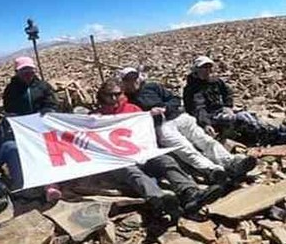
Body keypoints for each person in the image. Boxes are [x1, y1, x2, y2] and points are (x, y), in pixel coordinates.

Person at [93, 79, 220, 217]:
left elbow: (144, 130)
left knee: (166, 161)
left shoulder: (133, 109)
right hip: (119, 159)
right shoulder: (95, 117)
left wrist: (150, 116)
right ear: (102, 96)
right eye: (109, 95)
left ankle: (189, 192)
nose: (113, 98)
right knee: (133, 173)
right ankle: (160, 200)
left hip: (140, 151)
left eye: (117, 94)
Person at [118, 67, 256, 183]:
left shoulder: (152, 87)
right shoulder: (124, 100)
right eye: (127, 80)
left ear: (138, 77)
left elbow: (175, 99)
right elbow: (131, 119)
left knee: (204, 140)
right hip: (160, 126)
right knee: (185, 148)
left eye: (134, 78)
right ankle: (212, 170)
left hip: (179, 116)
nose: (132, 82)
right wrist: (149, 114)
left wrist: (165, 107)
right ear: (123, 82)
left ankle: (230, 162)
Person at [182, 56, 286, 145]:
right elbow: (198, 108)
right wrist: (206, 124)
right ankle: (274, 138)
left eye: (209, 67)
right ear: (196, 69)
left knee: (250, 115)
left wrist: (228, 106)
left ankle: (277, 130)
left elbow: (227, 92)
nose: (207, 70)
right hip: (209, 117)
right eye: (204, 67)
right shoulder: (192, 88)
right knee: (241, 119)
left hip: (221, 110)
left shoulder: (215, 81)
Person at [1, 56, 62, 203]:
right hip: (24, 130)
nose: (28, 73)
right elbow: (9, 109)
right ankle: (27, 185)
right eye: (23, 71)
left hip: (42, 127)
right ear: (17, 72)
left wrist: (47, 110)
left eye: (30, 70)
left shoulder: (42, 86)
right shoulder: (11, 90)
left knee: (47, 153)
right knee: (27, 155)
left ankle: (50, 185)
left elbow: (52, 103)